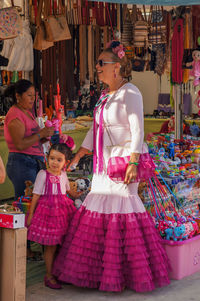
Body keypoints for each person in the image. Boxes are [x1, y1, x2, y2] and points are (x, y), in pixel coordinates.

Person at [53, 41, 170, 292]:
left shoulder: (131, 93)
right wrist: (78, 155)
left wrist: (134, 162)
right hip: (103, 164)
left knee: (121, 209)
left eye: (101, 63)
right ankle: (100, 272)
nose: (97, 67)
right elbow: (96, 129)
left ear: (116, 67)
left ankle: (125, 273)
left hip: (123, 161)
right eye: (97, 63)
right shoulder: (105, 96)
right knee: (100, 206)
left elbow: (137, 129)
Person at [4, 79, 54, 259]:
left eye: (35, 96)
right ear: (18, 96)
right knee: (24, 206)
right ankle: (23, 248)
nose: (33, 99)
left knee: (34, 205)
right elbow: (19, 143)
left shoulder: (27, 112)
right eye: (29, 95)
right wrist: (40, 134)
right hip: (21, 163)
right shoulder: (15, 115)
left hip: (32, 161)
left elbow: (31, 139)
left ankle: (30, 244)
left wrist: (44, 137)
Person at [27, 143, 80, 289]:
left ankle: (59, 273)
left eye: (59, 160)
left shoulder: (63, 174)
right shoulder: (42, 174)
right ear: (47, 158)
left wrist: (77, 195)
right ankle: (49, 275)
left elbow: (67, 190)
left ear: (66, 163)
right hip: (48, 213)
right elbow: (36, 195)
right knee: (50, 246)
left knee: (63, 244)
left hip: (63, 212)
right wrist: (30, 215)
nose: (54, 162)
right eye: (52, 158)